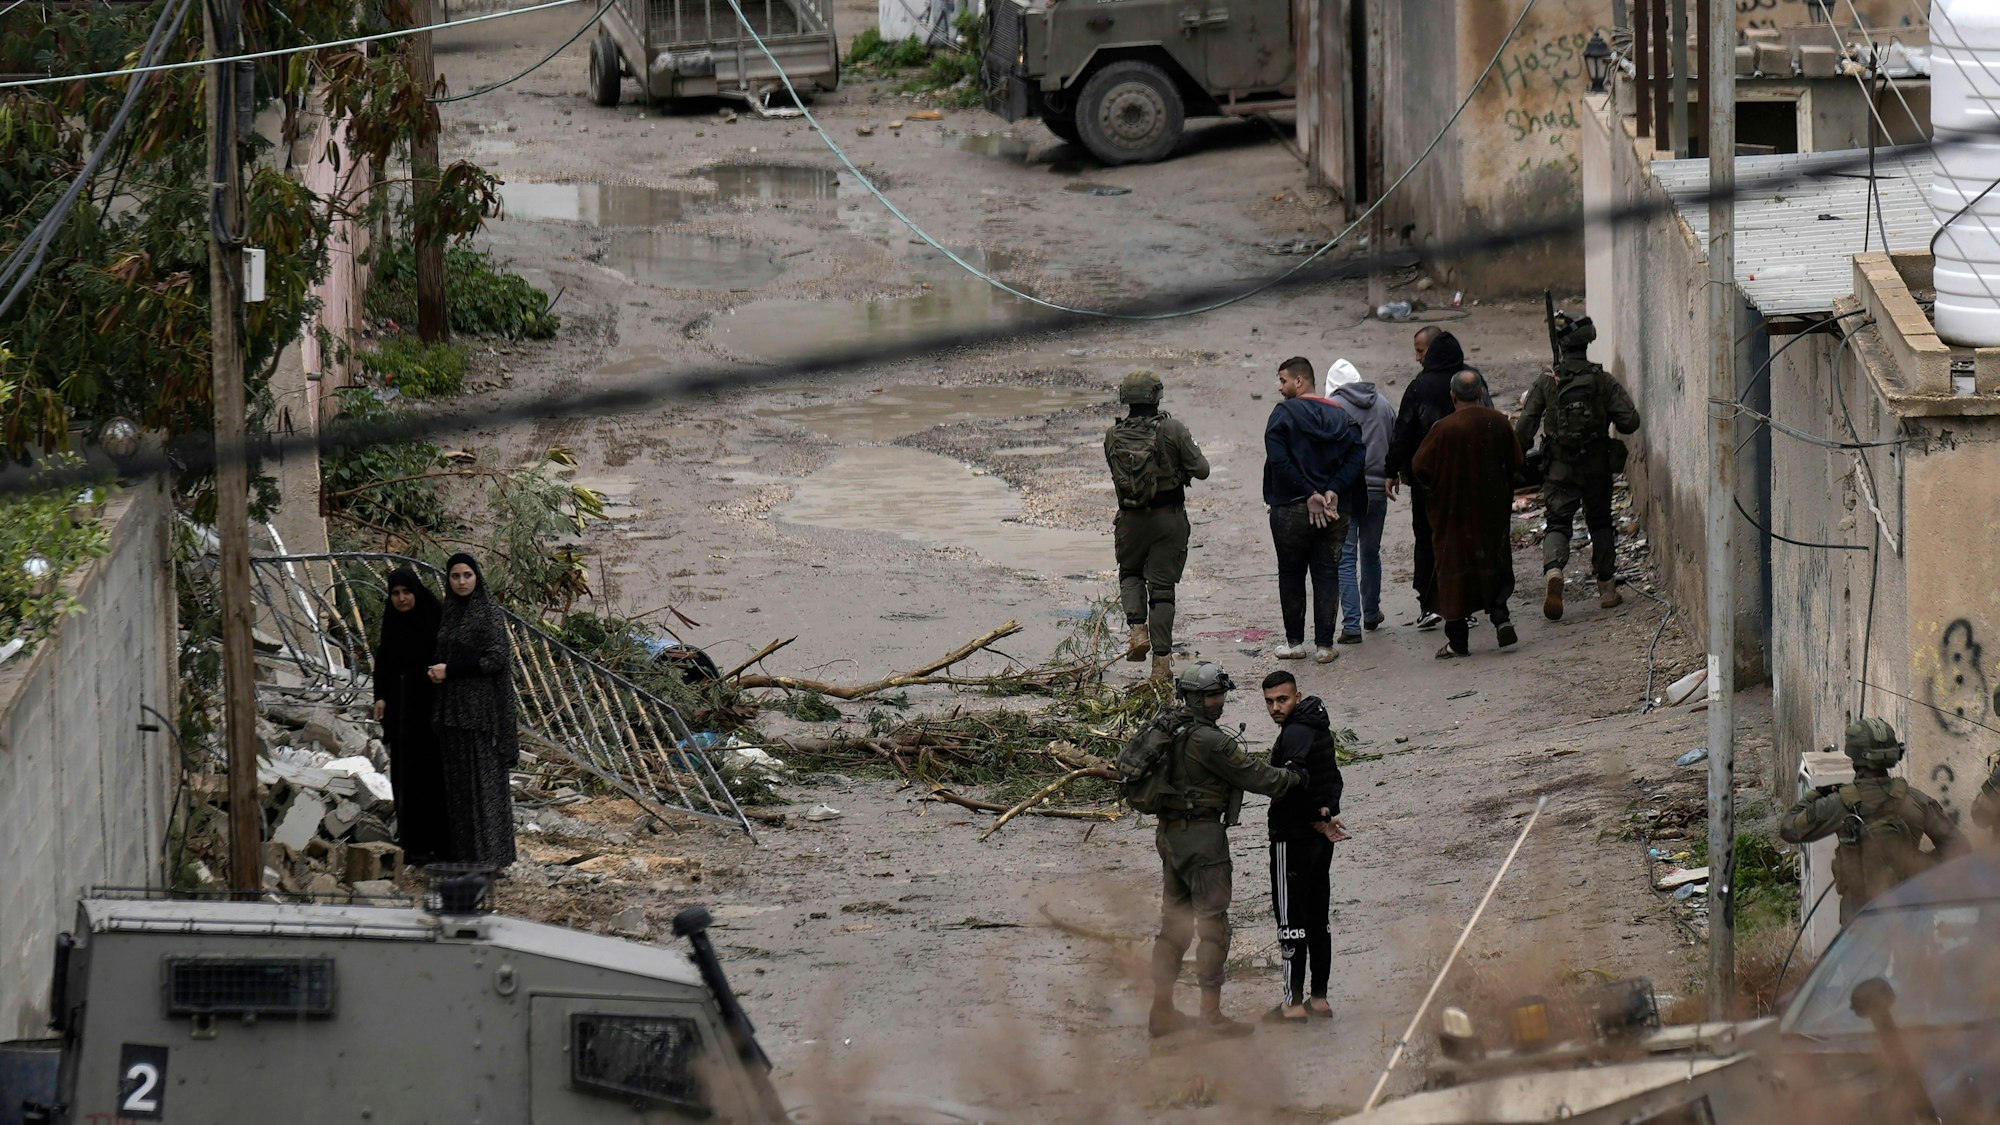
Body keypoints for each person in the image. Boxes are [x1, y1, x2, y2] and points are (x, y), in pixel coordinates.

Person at [1148, 662, 1305, 1039]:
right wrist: (1297, 776)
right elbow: (1257, 776)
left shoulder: (1170, 728)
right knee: (1214, 928)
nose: (1220, 701)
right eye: (1213, 695)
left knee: (1173, 926)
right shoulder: (1211, 741)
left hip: (1170, 837)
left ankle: (1161, 1011)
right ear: (1196, 699)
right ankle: (1211, 1016)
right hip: (1203, 842)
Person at [1514, 312, 1642, 621]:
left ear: (1561, 345)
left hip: (1559, 465)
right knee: (1599, 523)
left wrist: (1517, 459)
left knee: (1558, 523)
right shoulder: (1603, 380)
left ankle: (1555, 570)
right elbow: (1631, 421)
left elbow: (1524, 428)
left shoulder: (1548, 381)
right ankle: (1608, 589)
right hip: (1597, 465)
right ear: (1586, 344)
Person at [1779, 718, 1966, 924]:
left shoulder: (1839, 803)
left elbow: (1789, 829)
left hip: (1861, 919)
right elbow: (1959, 848)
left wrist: (1817, 794)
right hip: (1911, 913)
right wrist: (1917, 867)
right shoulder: (1916, 800)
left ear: (1854, 756)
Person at [1105, 369, 1211, 682]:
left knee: (1130, 573)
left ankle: (1137, 631)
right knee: (1163, 591)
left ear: (1125, 398)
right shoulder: (1174, 429)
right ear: (1157, 395)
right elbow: (1202, 470)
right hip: (1168, 518)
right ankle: (1161, 665)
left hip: (1130, 519)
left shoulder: (1113, 435)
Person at [1412, 370, 1524, 658]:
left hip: (1453, 515)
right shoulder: (1498, 422)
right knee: (1495, 565)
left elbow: (1420, 467)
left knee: (1453, 574)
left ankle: (1458, 641)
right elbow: (1517, 461)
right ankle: (1501, 618)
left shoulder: (1443, 429)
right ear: (1481, 393)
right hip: (1492, 512)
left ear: (1453, 395)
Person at [1387, 329, 1492, 630]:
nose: (1417, 357)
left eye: (1422, 351)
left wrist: (1392, 470)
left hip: (1428, 482)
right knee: (1465, 537)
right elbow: (1489, 420)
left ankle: (1430, 604)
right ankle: (1467, 604)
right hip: (1470, 479)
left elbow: (1403, 431)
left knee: (1427, 538)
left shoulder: (1420, 387)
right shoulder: (1472, 379)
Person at [1260, 670, 1350, 1024]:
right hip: (1318, 841)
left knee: (1290, 922)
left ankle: (1292, 1004)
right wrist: (1326, 815)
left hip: (1291, 839)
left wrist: (1315, 815)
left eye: (1282, 699)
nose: (1275, 708)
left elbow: (1295, 780)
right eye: (1269, 702)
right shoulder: (1318, 725)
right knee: (1318, 920)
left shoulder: (1295, 733)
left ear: (1298, 696)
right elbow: (1332, 776)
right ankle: (1320, 998)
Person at [1264, 357, 1366, 664]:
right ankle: (1325, 645)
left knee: (1291, 573)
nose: (1279, 387)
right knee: (1327, 573)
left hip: (1291, 508)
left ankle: (1295, 643)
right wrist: (1333, 489)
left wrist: (1308, 493)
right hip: (1336, 510)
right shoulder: (1342, 416)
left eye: (1282, 380)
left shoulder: (1282, 414)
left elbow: (1279, 460)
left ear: (1299, 381)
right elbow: (1357, 455)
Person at [429, 553, 520, 870]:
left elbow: (495, 659)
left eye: (467, 575)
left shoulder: (488, 613)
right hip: (453, 711)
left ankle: (492, 859)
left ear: (477, 577)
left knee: (484, 785)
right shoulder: (450, 613)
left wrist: (451, 670)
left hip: (481, 713)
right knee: (459, 787)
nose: (462, 581)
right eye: (455, 576)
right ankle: (466, 857)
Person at [372, 566, 448, 866]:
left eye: (406, 592)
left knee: (432, 780)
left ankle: (439, 845)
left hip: (429, 713)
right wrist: (379, 696)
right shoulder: (392, 623)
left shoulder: (435, 619)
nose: (402, 599)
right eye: (396, 593)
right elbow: (384, 663)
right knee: (405, 779)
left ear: (416, 592)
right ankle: (413, 845)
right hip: (401, 714)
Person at [1326, 359, 1396, 644]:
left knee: (1345, 557)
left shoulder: (1334, 408)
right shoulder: (1383, 403)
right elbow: (1395, 439)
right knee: (1371, 552)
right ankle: (1371, 612)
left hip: (1347, 491)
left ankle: (1351, 625)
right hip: (1379, 489)